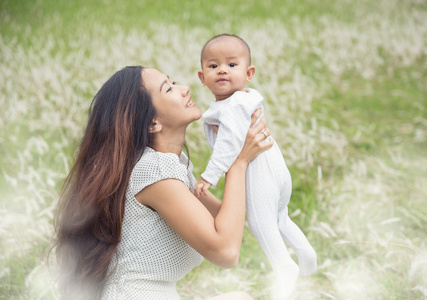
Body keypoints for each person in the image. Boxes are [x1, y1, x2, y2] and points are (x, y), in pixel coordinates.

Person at [53, 66, 273, 300]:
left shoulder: (169, 164)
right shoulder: (155, 172)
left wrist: (233, 148)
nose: (185, 89)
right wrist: (237, 164)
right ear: (152, 123)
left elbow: (229, 219)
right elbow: (226, 252)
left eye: (174, 82)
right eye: (168, 88)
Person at [194, 34, 317, 298]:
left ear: (249, 73)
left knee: (261, 224)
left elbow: (229, 143)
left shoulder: (233, 106)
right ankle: (307, 256)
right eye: (213, 66)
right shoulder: (244, 99)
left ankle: (285, 269)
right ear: (202, 78)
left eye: (232, 64)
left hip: (260, 176)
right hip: (277, 169)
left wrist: (210, 175)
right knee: (280, 217)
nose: (223, 70)